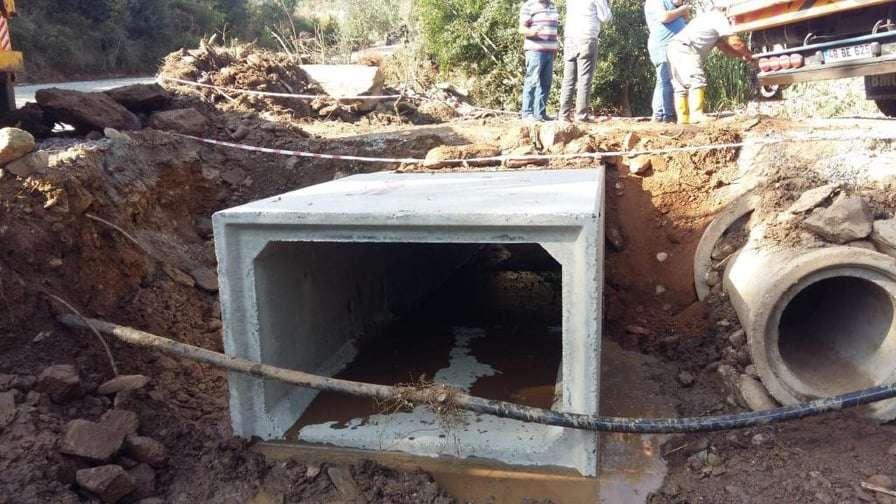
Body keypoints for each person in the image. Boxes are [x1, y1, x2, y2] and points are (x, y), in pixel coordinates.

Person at [667, 5, 753, 124]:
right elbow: (735, 42)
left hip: (673, 47)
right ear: (724, 11)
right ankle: (696, 115)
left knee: (680, 87)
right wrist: (750, 55)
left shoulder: (705, 18)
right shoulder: (719, 18)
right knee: (697, 80)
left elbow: (724, 47)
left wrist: (742, 56)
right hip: (687, 48)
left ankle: (683, 120)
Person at [558, 0, 612, 122]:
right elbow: (605, 17)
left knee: (568, 79)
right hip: (586, 38)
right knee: (584, 79)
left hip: (570, 38)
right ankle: (581, 116)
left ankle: (563, 115)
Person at [644, 0, 689, 122]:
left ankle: (660, 115)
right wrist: (681, 10)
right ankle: (666, 116)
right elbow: (663, 17)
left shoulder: (672, 4)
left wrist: (680, 6)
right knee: (666, 80)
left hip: (673, 47)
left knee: (664, 81)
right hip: (663, 46)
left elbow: (686, 17)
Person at [519, 0, 560, 121]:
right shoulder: (529, 6)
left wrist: (555, 47)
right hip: (535, 50)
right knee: (532, 80)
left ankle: (540, 114)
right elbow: (521, 29)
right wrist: (532, 32)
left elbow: (554, 29)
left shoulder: (553, 6)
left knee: (546, 83)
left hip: (550, 51)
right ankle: (527, 113)